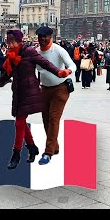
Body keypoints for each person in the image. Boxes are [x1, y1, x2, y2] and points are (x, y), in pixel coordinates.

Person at [0, 29, 71, 170]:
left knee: (19, 122)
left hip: (30, 91)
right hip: (18, 91)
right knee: (20, 122)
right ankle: (32, 147)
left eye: (13, 41)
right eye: (8, 41)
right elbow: (7, 75)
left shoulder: (30, 52)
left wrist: (58, 71)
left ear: (20, 41)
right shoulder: (11, 56)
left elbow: (45, 64)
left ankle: (16, 154)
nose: (10, 44)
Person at [35, 26, 76, 165]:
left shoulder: (58, 50)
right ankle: (55, 146)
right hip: (45, 89)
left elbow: (72, 64)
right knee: (45, 118)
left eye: (44, 37)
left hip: (61, 88)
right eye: (40, 37)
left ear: (50, 37)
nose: (42, 39)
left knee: (53, 117)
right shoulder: (36, 52)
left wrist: (68, 71)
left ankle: (48, 152)